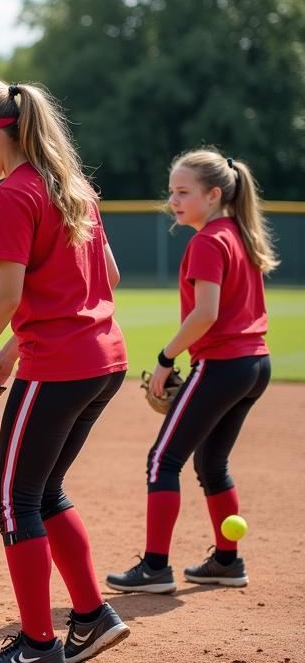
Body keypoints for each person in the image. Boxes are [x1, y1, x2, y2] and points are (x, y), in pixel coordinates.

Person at [0, 76, 130, 663]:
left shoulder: (12, 195)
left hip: (59, 368)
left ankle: (39, 646)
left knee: (12, 498)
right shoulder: (74, 186)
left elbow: (6, 296)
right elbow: (106, 279)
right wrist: (12, 352)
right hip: (103, 361)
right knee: (44, 491)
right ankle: (91, 617)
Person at [107, 151, 275, 594]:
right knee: (211, 462)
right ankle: (226, 560)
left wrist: (166, 359)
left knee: (164, 460)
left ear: (214, 194)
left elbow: (206, 314)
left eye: (184, 192)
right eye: (171, 192)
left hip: (221, 363)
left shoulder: (206, 241)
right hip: (255, 364)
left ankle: (156, 568)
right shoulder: (237, 234)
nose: (174, 200)